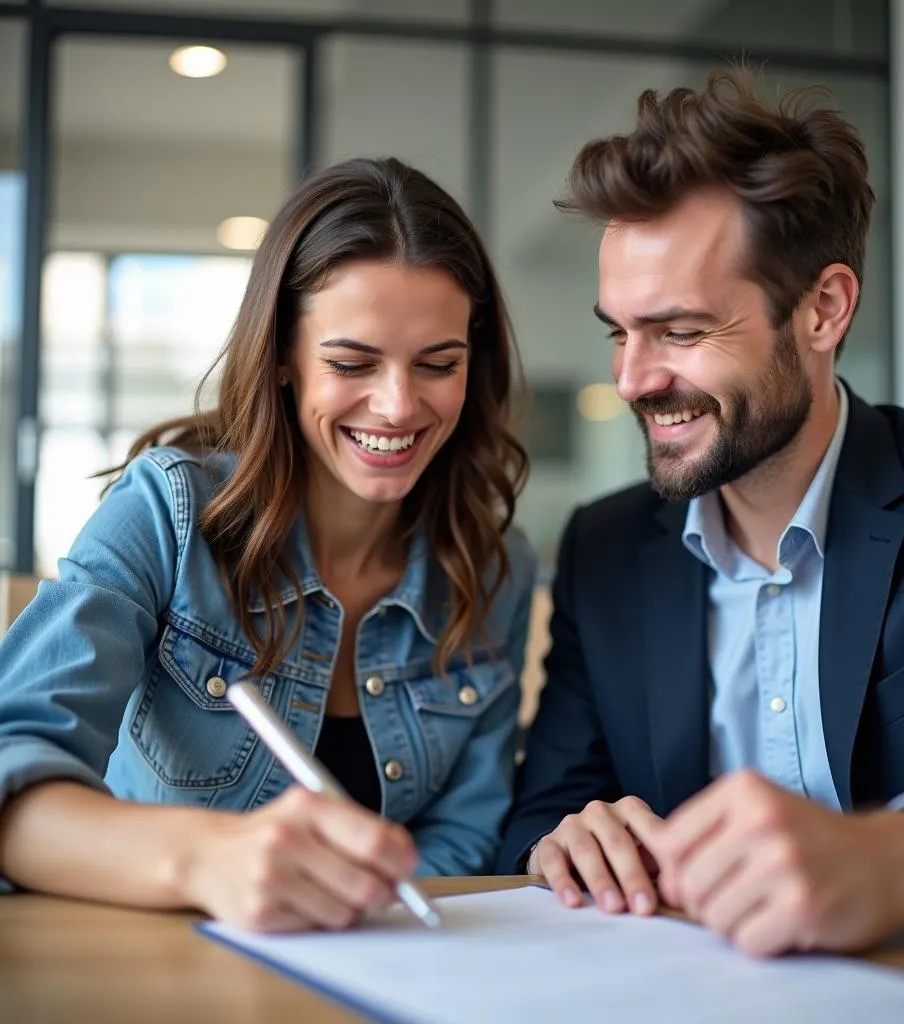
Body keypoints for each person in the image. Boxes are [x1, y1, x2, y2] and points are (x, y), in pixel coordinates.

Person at [498, 69, 904, 955]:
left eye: (682, 331)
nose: (631, 380)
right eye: (618, 333)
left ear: (823, 310)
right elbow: (545, 810)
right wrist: (567, 843)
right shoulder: (607, 546)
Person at [0, 157, 536, 932]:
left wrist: (353, 905)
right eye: (351, 362)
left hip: (389, 967)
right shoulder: (168, 511)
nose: (397, 406)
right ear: (283, 355)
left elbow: (465, 835)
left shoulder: (496, 566)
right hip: (160, 970)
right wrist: (206, 857)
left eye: (438, 365)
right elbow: (12, 760)